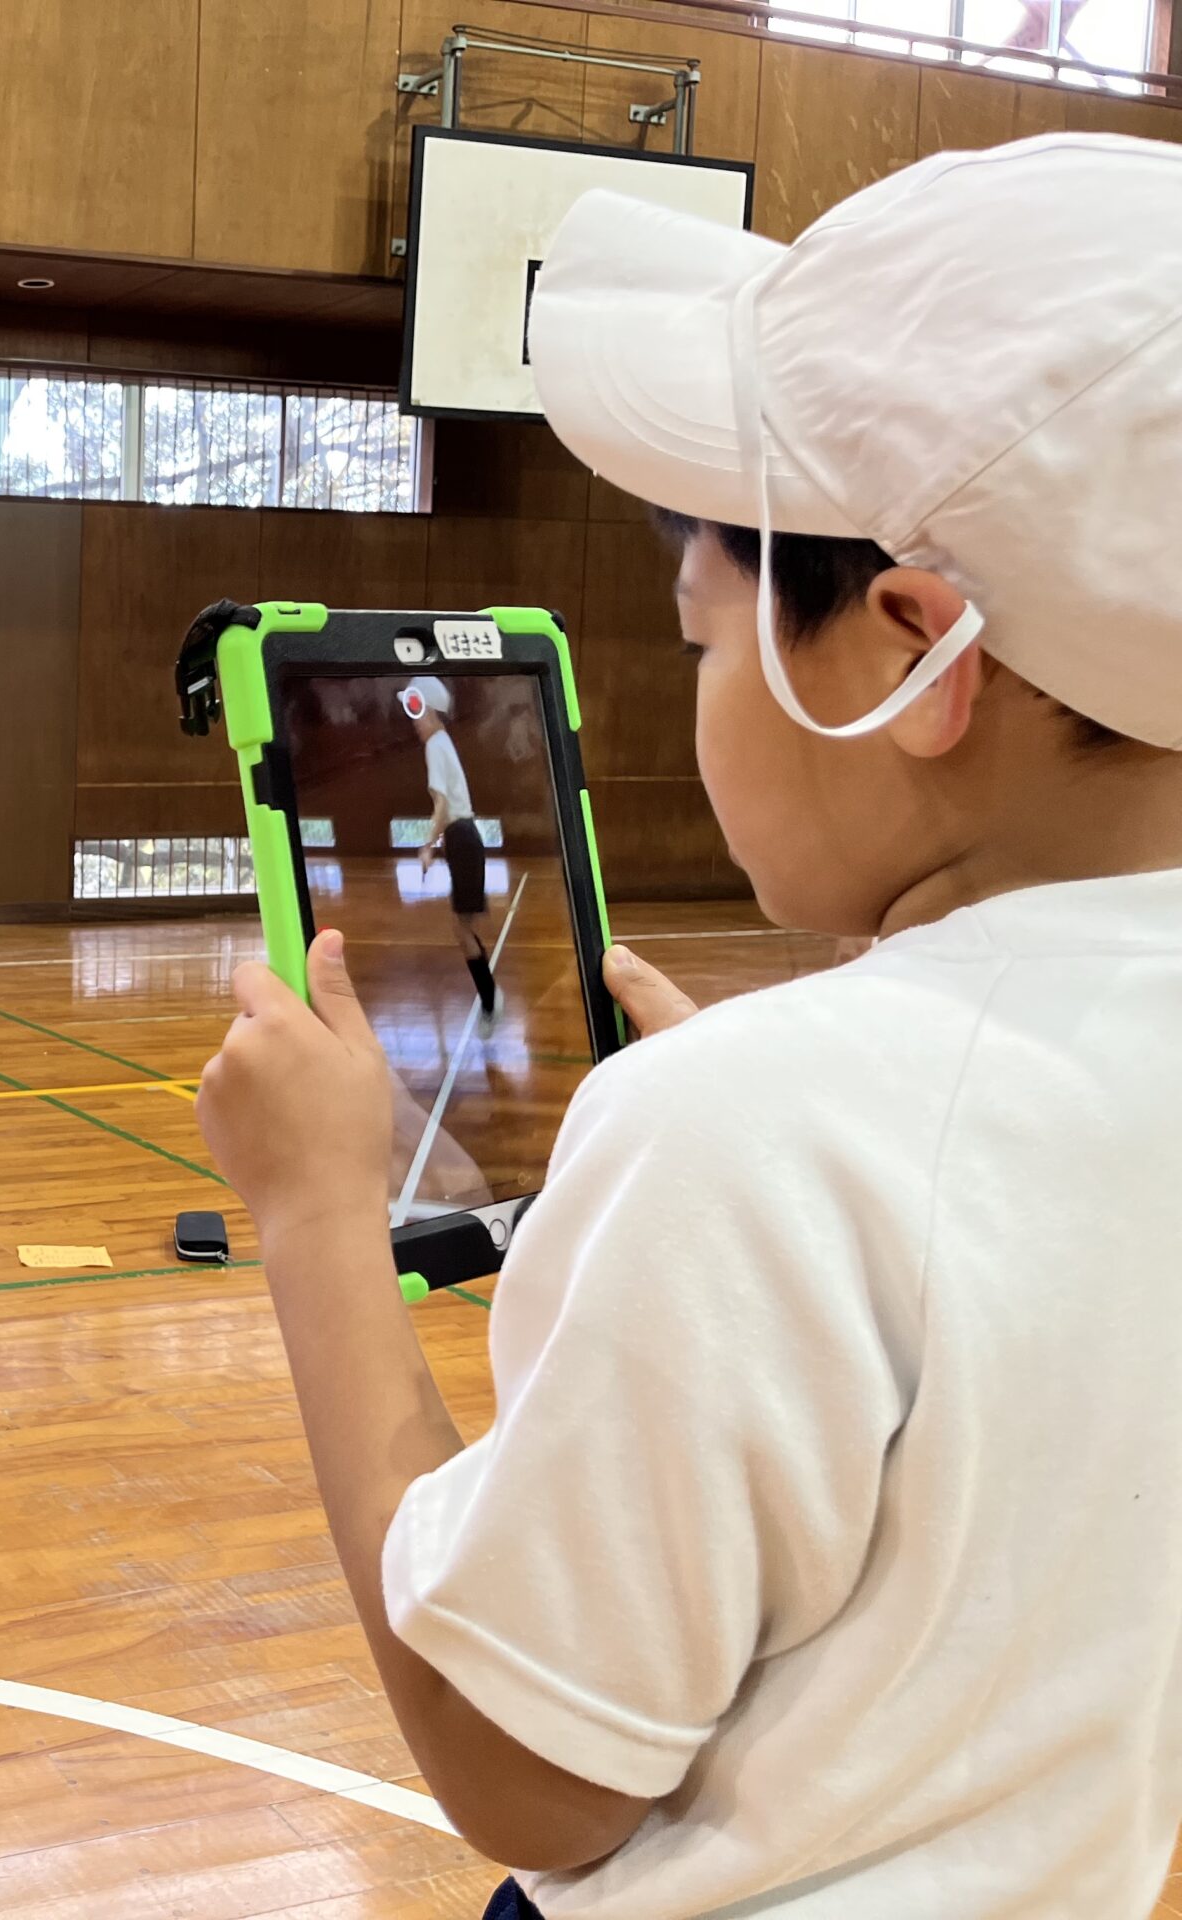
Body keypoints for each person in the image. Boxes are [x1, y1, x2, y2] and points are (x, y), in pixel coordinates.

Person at [194, 133, 1182, 1916]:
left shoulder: (759, 1136)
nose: (701, 693)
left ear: (909, 653)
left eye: (704, 638)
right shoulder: (817, 1121)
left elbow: (523, 1775)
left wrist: (321, 1217)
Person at [402, 675, 497, 1022]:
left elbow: (442, 804)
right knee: (462, 927)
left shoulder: (435, 746)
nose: (413, 721)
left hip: (463, 838)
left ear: (428, 710)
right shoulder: (442, 743)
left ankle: (489, 1001)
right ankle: (489, 999)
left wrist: (428, 846)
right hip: (462, 839)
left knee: (461, 928)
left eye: (415, 710)